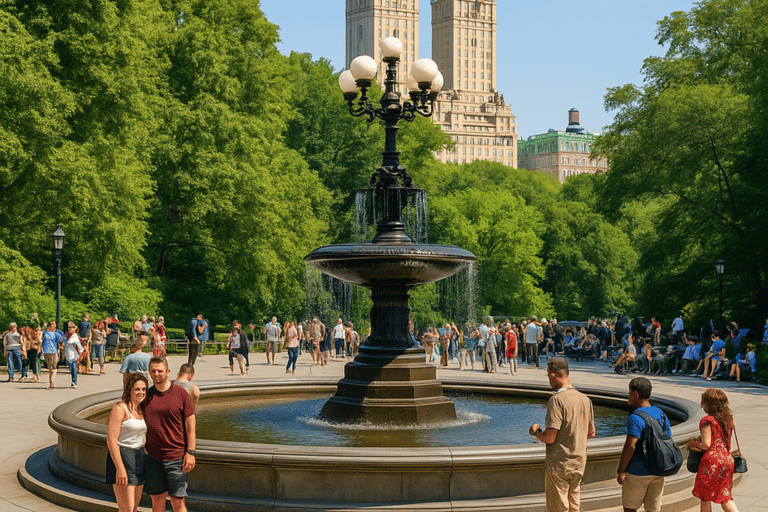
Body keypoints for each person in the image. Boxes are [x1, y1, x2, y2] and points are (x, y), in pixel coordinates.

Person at [529, 358, 595, 512]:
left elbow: (550, 437)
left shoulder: (556, 401)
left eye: (548, 376)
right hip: (579, 462)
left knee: (558, 508)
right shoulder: (585, 400)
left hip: (560, 464)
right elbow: (591, 433)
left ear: (553, 376)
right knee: (573, 506)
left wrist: (536, 432)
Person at [143, 356, 196, 512]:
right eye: (153, 371)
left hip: (177, 458)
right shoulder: (146, 395)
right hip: (153, 458)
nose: (157, 374)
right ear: (149, 373)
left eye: (160, 371)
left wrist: (191, 452)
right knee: (157, 501)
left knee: (178, 502)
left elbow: (191, 426)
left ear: (168, 371)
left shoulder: (180, 394)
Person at [616, 377, 671, 512]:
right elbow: (668, 438)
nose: (628, 397)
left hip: (637, 471)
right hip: (658, 470)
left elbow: (631, 445)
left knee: (630, 508)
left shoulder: (635, 417)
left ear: (636, 394)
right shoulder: (661, 413)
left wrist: (621, 470)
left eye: (629, 393)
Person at [688, 388, 738, 512]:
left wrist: (694, 444)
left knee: (705, 498)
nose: (701, 404)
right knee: (725, 497)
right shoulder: (728, 420)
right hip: (727, 460)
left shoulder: (707, 420)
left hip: (711, 463)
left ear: (710, 403)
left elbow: (706, 445)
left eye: (703, 401)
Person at [106, 373, 148, 512]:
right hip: (124, 456)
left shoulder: (142, 409)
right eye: (137, 389)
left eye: (143, 389)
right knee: (127, 508)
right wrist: (120, 468)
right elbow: (111, 439)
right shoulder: (120, 409)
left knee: (134, 507)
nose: (141, 392)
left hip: (139, 456)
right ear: (129, 390)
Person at [41, 321, 64, 389]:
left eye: (53, 325)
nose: (52, 326)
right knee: (52, 368)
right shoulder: (48, 333)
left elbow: (60, 342)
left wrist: (60, 346)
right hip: (48, 352)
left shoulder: (54, 334)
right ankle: (51, 382)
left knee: (53, 368)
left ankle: (51, 382)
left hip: (52, 352)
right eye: (51, 325)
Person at [64, 321, 85, 388]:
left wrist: (80, 353)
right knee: (71, 369)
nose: (70, 329)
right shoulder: (66, 335)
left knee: (73, 368)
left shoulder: (74, 336)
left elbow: (78, 346)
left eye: (72, 328)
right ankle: (73, 381)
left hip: (74, 355)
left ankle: (74, 382)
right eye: (69, 327)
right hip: (68, 355)